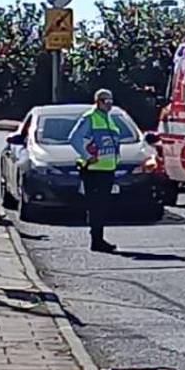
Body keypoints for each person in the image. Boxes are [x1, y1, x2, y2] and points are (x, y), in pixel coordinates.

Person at [68, 89, 131, 254]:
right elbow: (74, 138)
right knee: (96, 207)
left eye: (111, 101)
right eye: (105, 101)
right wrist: (87, 156)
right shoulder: (90, 118)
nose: (109, 104)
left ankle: (98, 239)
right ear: (97, 101)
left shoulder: (108, 119)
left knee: (102, 206)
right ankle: (96, 241)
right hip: (94, 170)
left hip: (107, 169)